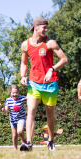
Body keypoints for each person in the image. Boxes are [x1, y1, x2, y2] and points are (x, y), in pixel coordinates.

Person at [20, 17, 68, 151]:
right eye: (44, 28)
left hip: (50, 83)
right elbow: (24, 63)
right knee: (31, 111)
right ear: (36, 27)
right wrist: (23, 76)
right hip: (34, 83)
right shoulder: (26, 44)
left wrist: (52, 69)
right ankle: (29, 143)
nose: (46, 30)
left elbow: (64, 60)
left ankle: (51, 141)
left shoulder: (50, 43)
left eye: (47, 28)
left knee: (50, 114)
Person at [2, 84, 27, 151]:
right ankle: (15, 148)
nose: (15, 94)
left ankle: (23, 140)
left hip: (21, 118)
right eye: (13, 93)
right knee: (14, 135)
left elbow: (31, 100)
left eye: (16, 93)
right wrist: (4, 110)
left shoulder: (22, 98)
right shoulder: (8, 100)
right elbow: (6, 110)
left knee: (19, 131)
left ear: (18, 92)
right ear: (10, 92)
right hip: (13, 120)